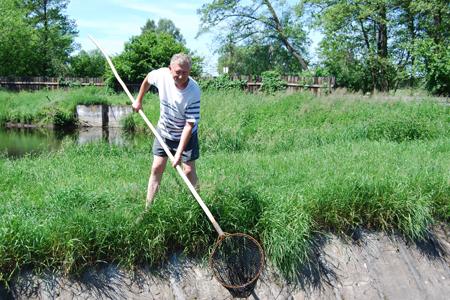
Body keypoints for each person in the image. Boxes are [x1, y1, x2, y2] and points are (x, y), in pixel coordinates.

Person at [132, 53, 201, 209]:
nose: (181, 76)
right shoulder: (161, 75)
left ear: (189, 71)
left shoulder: (194, 91)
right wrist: (139, 100)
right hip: (164, 131)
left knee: (188, 170)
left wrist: (178, 154)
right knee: (157, 167)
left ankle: (196, 206)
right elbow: (147, 80)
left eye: (185, 72)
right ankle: (148, 209)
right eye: (178, 72)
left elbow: (189, 125)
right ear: (170, 69)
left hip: (186, 134)